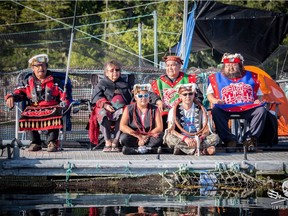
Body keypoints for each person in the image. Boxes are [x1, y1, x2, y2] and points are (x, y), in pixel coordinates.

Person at [4, 54, 69, 152]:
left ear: (46, 67)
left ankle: (52, 142)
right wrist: (11, 97)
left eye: (43, 65)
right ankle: (35, 142)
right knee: (26, 114)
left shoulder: (56, 81)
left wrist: (64, 102)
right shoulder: (27, 82)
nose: (40, 68)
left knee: (57, 112)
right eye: (37, 66)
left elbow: (64, 94)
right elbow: (18, 92)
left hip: (52, 107)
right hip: (34, 108)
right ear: (32, 68)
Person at [206, 53, 267, 152]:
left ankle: (250, 138)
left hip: (248, 107)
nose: (231, 67)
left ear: (240, 65)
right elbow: (209, 94)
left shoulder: (252, 76)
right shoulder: (215, 78)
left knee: (260, 110)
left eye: (234, 65)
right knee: (216, 110)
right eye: (228, 65)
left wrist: (258, 100)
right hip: (226, 107)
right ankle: (229, 140)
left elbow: (260, 94)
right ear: (224, 66)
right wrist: (215, 101)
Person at [89, 60, 133, 152]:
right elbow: (96, 97)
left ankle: (116, 141)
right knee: (103, 113)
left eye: (117, 70)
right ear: (106, 73)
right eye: (111, 70)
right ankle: (108, 141)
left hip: (121, 109)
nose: (115, 72)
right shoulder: (101, 84)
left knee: (123, 113)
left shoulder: (125, 84)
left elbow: (131, 98)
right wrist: (105, 105)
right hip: (105, 108)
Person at [163, 83, 219, 155]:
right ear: (180, 96)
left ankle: (184, 150)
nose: (188, 97)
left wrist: (201, 138)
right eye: (185, 94)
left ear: (194, 95)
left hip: (198, 137)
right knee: (168, 138)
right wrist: (185, 138)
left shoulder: (201, 109)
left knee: (215, 137)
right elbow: (171, 130)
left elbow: (206, 129)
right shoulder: (173, 110)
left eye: (190, 94)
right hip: (182, 138)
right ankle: (199, 150)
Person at [151, 55, 200, 128]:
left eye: (172, 65)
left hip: (185, 111)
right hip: (166, 112)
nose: (170, 68)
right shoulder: (158, 82)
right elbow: (152, 95)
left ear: (179, 66)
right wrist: (158, 101)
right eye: (167, 66)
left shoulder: (189, 79)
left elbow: (199, 96)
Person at [119, 84, 163, 155]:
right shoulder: (128, 108)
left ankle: (136, 150)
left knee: (160, 137)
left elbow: (159, 128)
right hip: (135, 136)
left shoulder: (155, 109)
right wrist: (138, 136)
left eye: (146, 96)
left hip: (149, 136)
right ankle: (149, 149)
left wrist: (146, 137)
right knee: (124, 138)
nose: (143, 98)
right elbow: (122, 126)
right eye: (140, 96)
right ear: (135, 98)